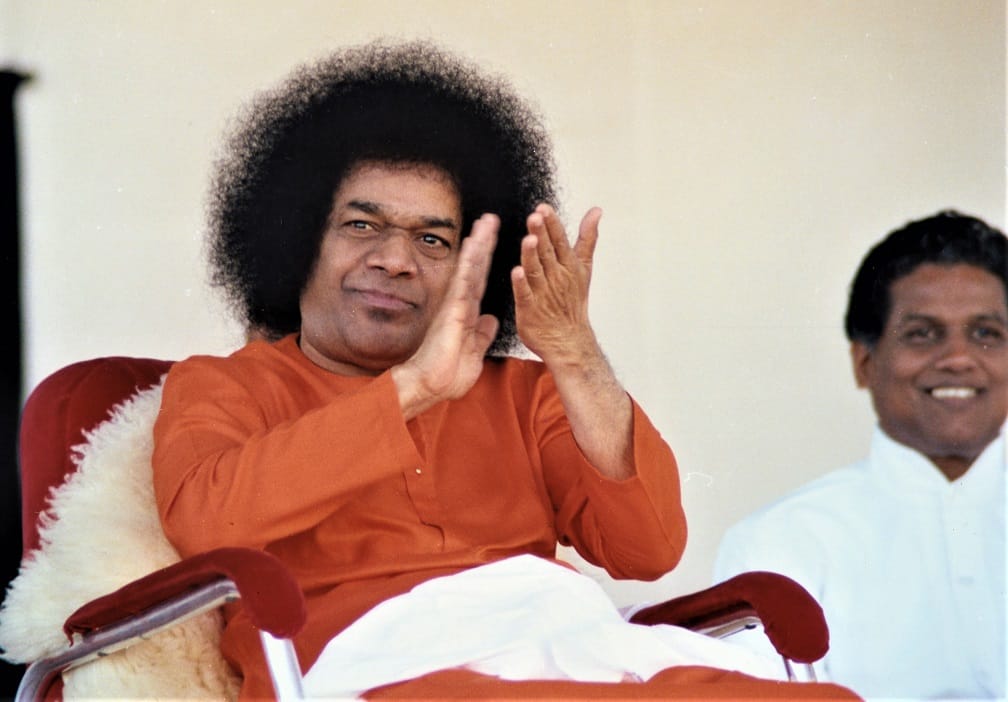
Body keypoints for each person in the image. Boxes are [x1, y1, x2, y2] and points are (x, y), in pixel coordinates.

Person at [152, 39, 857, 700]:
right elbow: (206, 526)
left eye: (433, 239)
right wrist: (411, 391)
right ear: (295, 238)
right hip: (377, 665)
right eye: (362, 225)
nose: (395, 260)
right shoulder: (223, 385)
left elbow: (648, 547)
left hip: (563, 643)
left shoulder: (526, 394)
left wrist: (575, 352)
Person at [714, 211, 1007, 700]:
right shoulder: (781, 544)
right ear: (864, 362)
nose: (959, 358)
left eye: (986, 334)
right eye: (922, 333)